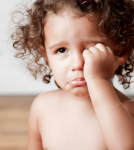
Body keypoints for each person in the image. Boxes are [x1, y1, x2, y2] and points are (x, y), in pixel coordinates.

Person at [11, 0, 134, 149]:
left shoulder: (127, 110)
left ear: (121, 51)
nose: (77, 63)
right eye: (61, 50)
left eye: (91, 49)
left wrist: (99, 80)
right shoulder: (42, 107)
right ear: (46, 56)